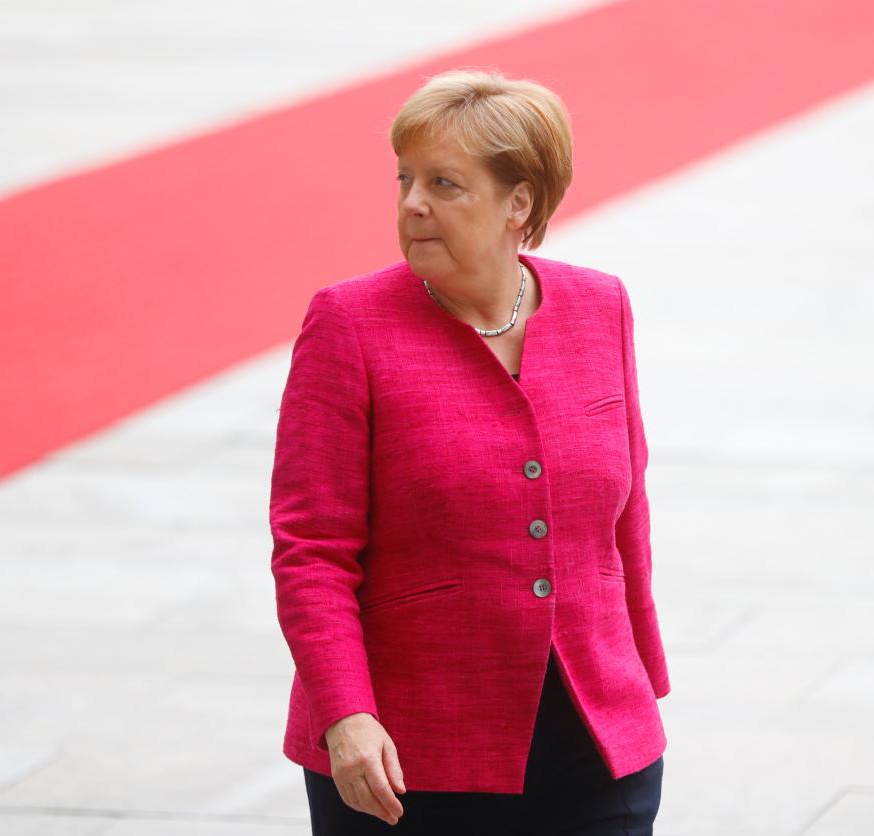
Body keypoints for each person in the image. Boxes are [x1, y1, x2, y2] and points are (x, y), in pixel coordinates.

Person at [269, 67, 671, 835]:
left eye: (446, 184)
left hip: (596, 736)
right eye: (405, 179)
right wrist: (345, 714)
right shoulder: (349, 325)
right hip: (408, 755)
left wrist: (640, 684)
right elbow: (311, 550)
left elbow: (627, 516)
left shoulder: (600, 306)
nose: (413, 203)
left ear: (519, 201)